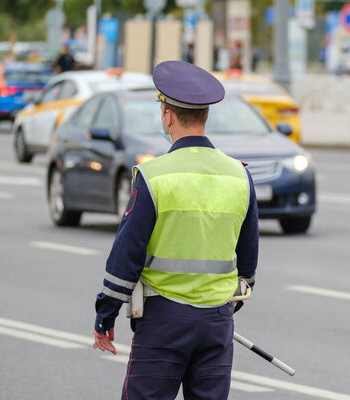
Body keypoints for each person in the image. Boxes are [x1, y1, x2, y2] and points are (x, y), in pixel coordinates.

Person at [93, 60, 259, 400]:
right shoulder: (239, 176)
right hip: (217, 322)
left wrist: (105, 314)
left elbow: (127, 255)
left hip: (163, 321)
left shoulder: (154, 177)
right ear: (205, 117)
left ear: (168, 116)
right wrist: (223, 308)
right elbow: (249, 261)